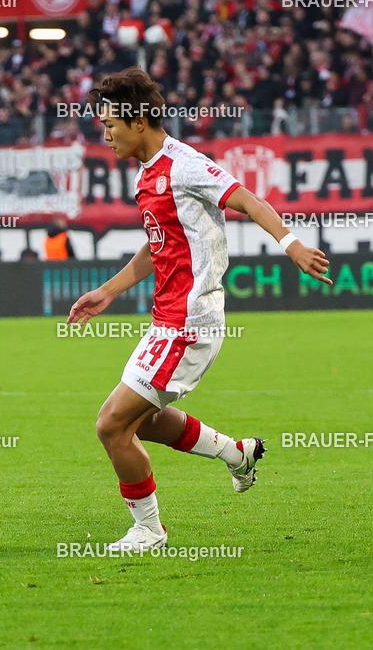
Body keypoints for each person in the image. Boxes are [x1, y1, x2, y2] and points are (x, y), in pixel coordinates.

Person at [68, 68, 332, 551]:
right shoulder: (148, 175)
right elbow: (159, 246)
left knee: (111, 425)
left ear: (139, 121)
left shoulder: (185, 165)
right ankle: (238, 453)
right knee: (141, 422)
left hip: (190, 325)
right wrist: (108, 291)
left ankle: (149, 530)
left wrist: (291, 245)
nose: (104, 136)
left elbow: (248, 200)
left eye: (109, 125)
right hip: (165, 322)